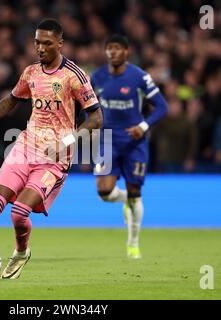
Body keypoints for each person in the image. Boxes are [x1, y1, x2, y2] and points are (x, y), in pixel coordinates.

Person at [0, 18, 102, 279]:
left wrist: (65, 143)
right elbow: (10, 101)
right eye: (37, 42)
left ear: (60, 44)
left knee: (19, 213)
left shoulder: (74, 75)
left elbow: (97, 119)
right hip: (26, 147)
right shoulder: (31, 73)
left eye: (47, 44)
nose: (40, 48)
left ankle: (21, 252)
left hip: (55, 158)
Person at [91, 34, 168, 259]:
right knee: (104, 192)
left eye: (117, 48)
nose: (112, 52)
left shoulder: (139, 77)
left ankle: (133, 243)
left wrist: (143, 127)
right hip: (108, 140)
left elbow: (162, 107)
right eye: (109, 48)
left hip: (135, 142)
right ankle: (125, 200)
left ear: (126, 52)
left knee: (136, 191)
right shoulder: (97, 77)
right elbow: (86, 107)